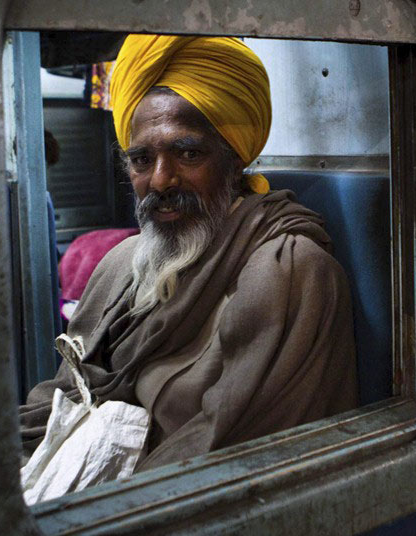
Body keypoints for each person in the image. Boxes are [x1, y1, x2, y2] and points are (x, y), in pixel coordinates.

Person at [20, 34, 357, 476]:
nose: (161, 180)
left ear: (236, 160)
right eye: (141, 159)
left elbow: (223, 458)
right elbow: (67, 394)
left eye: (188, 153)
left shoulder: (287, 271)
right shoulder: (121, 262)